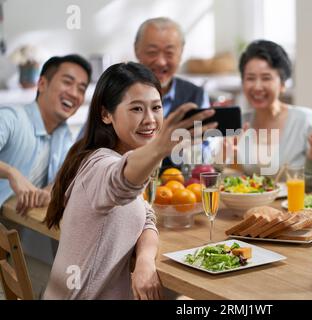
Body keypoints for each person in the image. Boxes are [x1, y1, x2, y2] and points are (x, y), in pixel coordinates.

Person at [43, 62, 216, 299]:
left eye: (156, 107)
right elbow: (120, 183)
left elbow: (146, 216)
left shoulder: (109, 156)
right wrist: (159, 148)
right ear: (106, 114)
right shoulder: (100, 166)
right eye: (136, 109)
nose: (150, 120)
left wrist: (144, 260)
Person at [225, 39, 312, 178]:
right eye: (250, 78)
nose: (257, 87)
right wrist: (225, 159)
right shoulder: (237, 122)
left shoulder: (305, 120)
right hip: (251, 200)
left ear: (282, 84)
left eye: (266, 78)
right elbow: (226, 180)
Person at [0, 54, 91, 214]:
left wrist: (49, 192)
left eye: (81, 89)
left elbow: (59, 181)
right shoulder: (10, 118)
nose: (74, 94)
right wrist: (11, 173)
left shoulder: (65, 137)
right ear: (42, 83)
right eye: (67, 82)